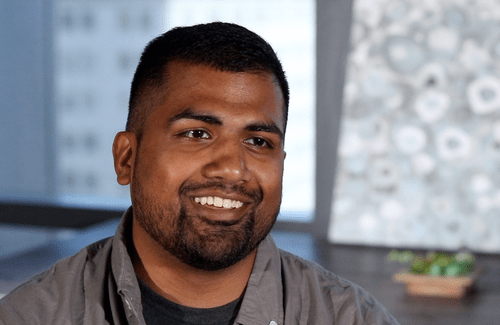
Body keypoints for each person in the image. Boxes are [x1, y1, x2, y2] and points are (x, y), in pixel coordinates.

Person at [0, 22, 399, 325]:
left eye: (258, 141)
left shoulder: (350, 317)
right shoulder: (32, 316)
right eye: (197, 133)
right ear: (127, 159)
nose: (232, 168)